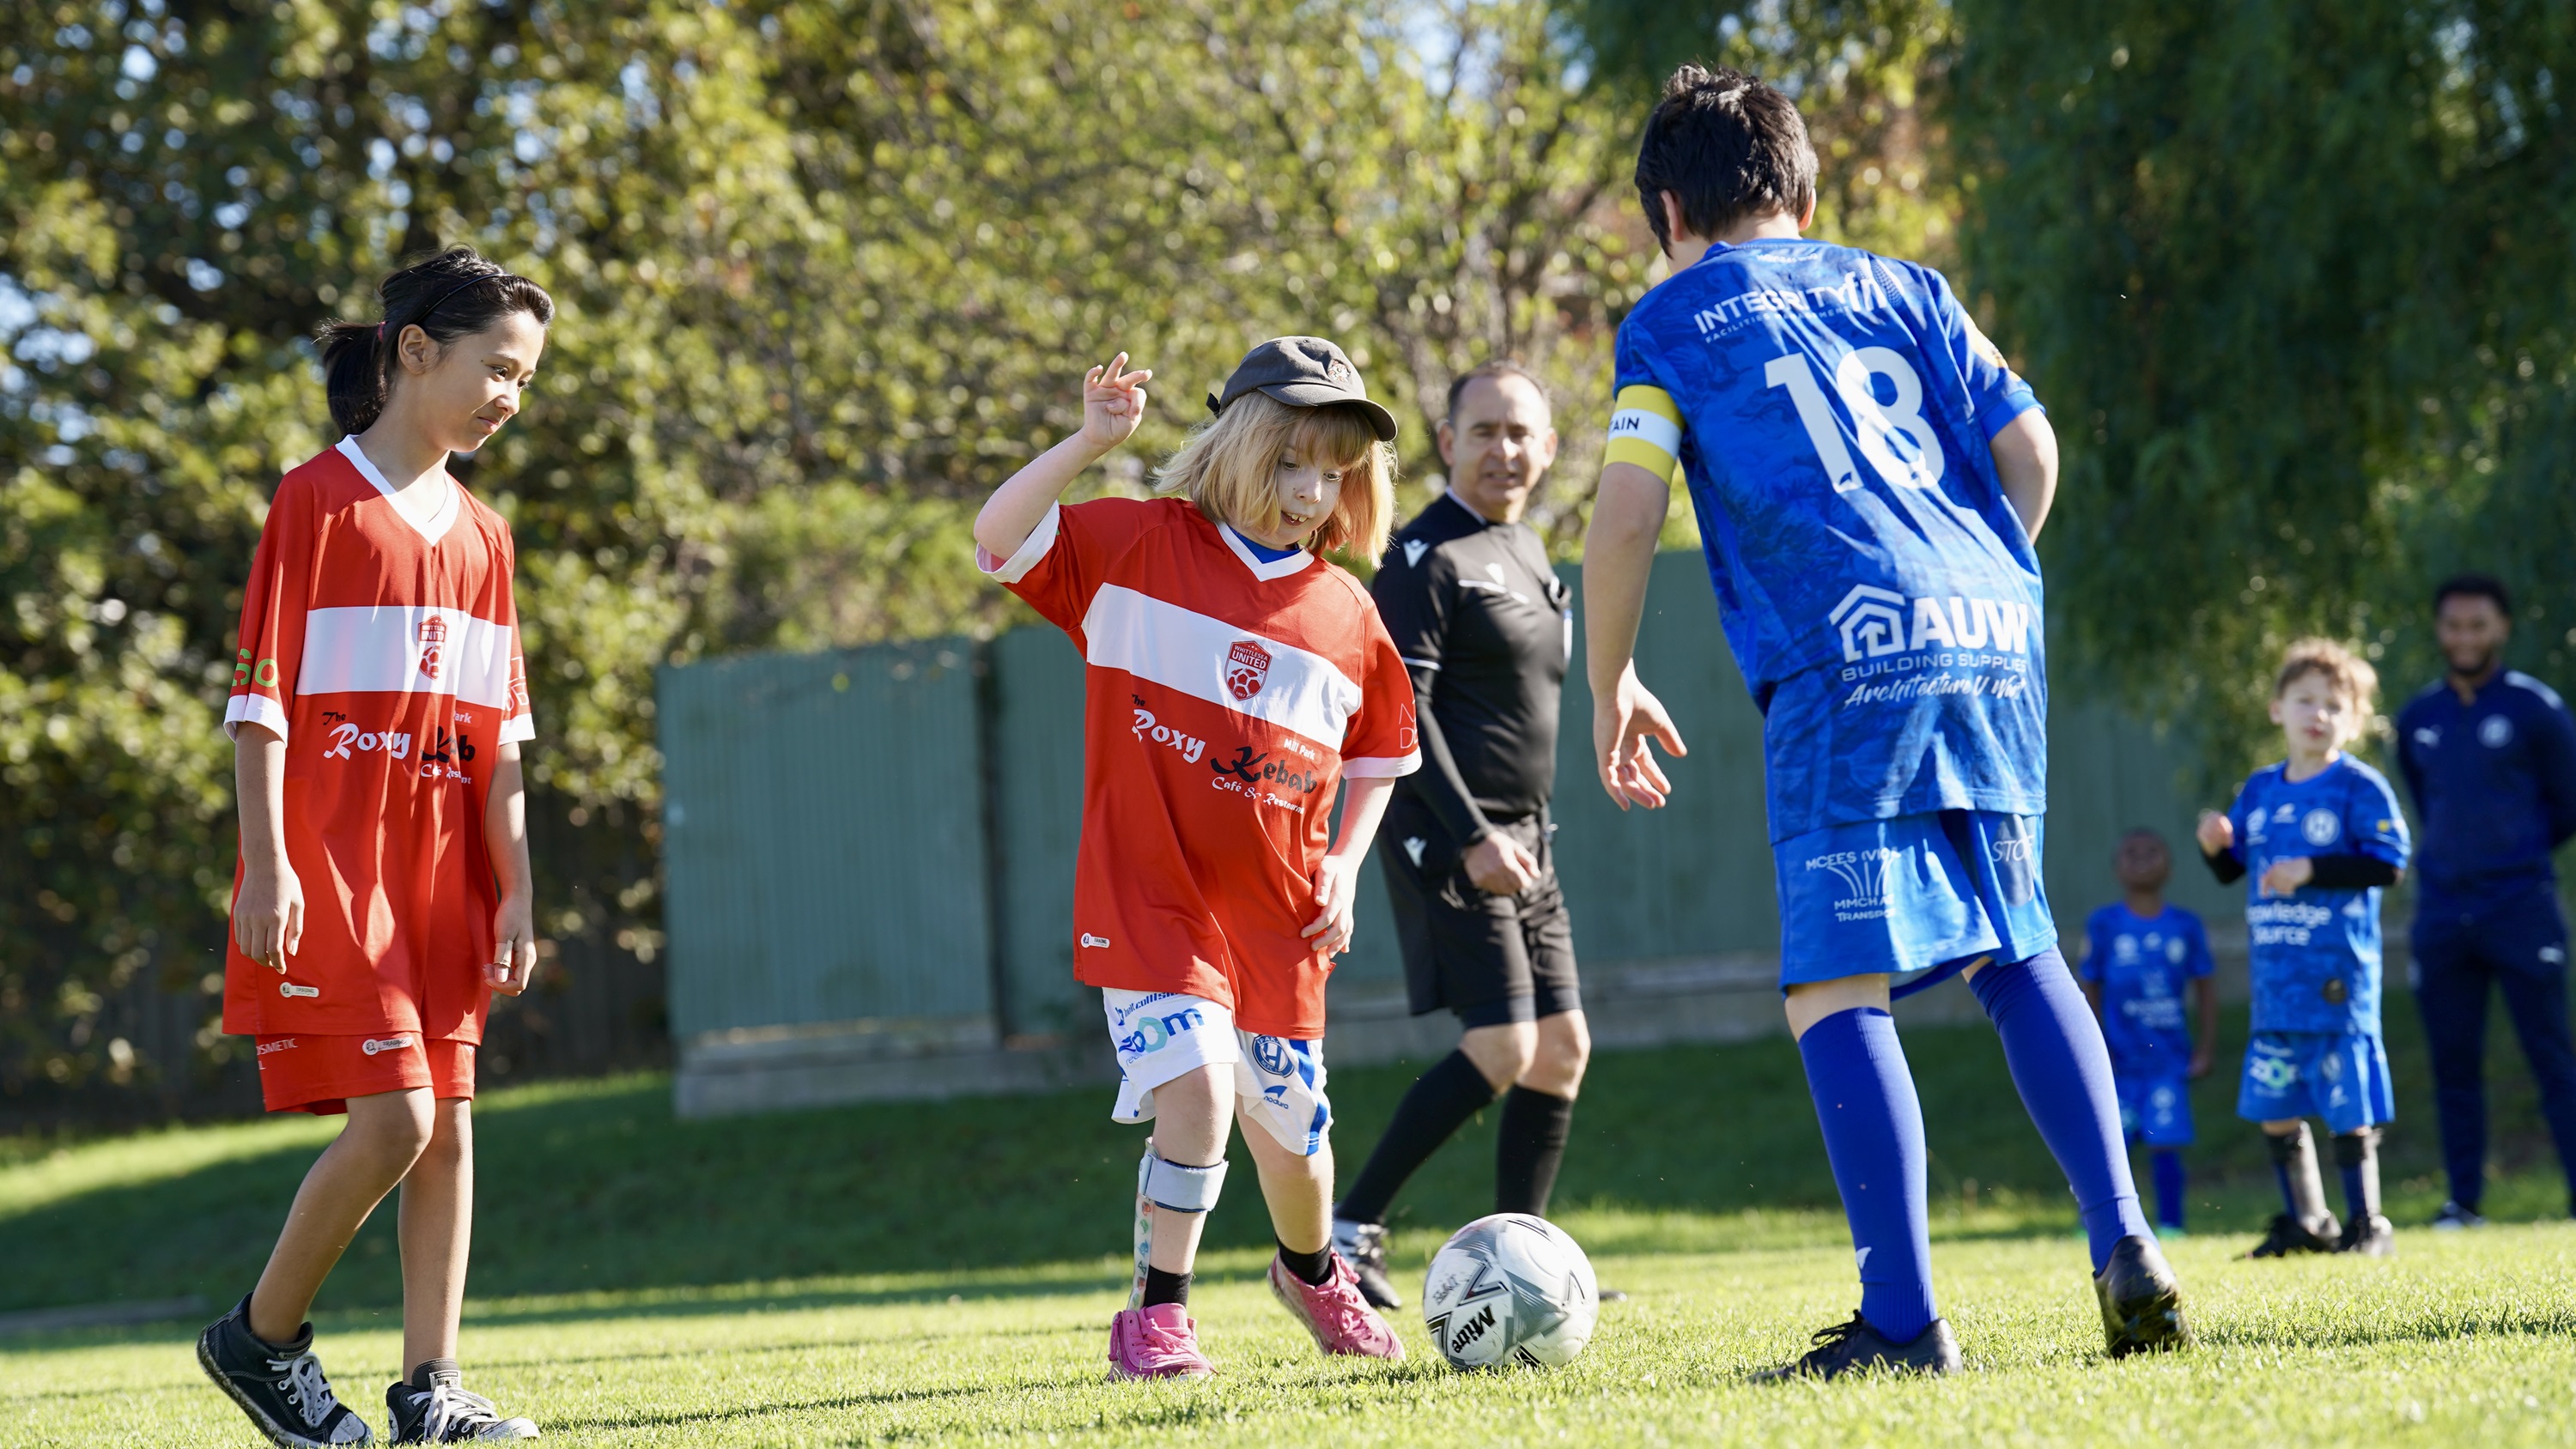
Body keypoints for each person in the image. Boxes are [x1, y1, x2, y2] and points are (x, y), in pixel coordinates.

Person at [1580, 64, 2190, 1378]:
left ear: (1669, 211)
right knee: (2016, 943)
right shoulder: (1909, 287)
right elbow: (2033, 451)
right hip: (1988, 631)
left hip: (1845, 654)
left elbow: (1626, 515)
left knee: (1833, 983)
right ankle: (2127, 1240)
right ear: (1803, 193)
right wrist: (1968, 583)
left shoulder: (1671, 323)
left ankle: (1902, 1323)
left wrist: (1611, 677)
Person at [972, 337, 1419, 1379]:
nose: (1310, 492)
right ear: (1236, 446)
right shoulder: (1137, 546)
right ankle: (1156, 1316)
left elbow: (1381, 754)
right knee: (1201, 1091)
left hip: (1281, 920)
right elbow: (997, 536)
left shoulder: (1347, 611)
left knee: (1297, 1144)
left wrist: (1347, 864)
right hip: (1150, 902)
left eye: (1334, 473)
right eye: (1290, 462)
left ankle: (1311, 1271)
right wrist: (1088, 442)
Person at [195, 248, 548, 1446]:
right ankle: (259, 1339)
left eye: (525, 380)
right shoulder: (315, 501)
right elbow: (259, 704)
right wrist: (270, 861)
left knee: (449, 1123)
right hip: (333, 873)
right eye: (496, 368)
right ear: (415, 350)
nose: (509, 396)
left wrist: (516, 891)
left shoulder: (488, 538)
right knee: (397, 1118)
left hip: (446, 880)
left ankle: (432, 1390)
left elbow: (501, 738)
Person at [1329, 361, 1590, 1310]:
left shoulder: (1526, 549)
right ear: (1447, 442)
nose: (1503, 449)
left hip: (1527, 839)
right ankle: (1347, 1231)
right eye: (1483, 431)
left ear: (1548, 448)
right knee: (1504, 1043)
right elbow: (1406, 709)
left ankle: (1529, 1267)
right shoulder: (1423, 554)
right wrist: (1473, 835)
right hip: (1448, 837)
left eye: (1521, 433)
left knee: (1561, 1048)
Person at [2196, 640, 2411, 1258]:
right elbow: (2234, 870)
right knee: (2275, 1106)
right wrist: (2214, 846)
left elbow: (2388, 865)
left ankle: (2367, 1224)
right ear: (2277, 709)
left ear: (2355, 720)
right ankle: (2307, 1221)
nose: (2318, 714)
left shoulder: (2358, 787)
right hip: (2276, 985)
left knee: (2347, 1104)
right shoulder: (2261, 789)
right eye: (2305, 700)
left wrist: (2312, 869)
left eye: (2334, 705)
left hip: (2336, 981)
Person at [2393, 574, 2576, 1228]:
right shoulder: (2418, 718)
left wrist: (2513, 855)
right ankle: (2463, 1203)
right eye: (2454, 625)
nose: (2465, 637)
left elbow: (2568, 803)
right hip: (2443, 912)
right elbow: (2427, 802)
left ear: (2501, 628)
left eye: (2478, 625)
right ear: (2439, 630)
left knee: (2552, 1056)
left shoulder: (2536, 708)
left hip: (2521, 907)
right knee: (2453, 1063)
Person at [2077, 830, 2219, 1235]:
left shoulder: (2185, 925)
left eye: (2152, 851)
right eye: (2131, 852)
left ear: (2170, 867)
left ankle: (2171, 1223)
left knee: (2165, 1140)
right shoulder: (2104, 925)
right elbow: (2089, 986)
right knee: (2108, 1143)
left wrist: (2205, 1048)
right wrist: (2094, 1046)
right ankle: (2101, 1224)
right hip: (2117, 1059)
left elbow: (2205, 987)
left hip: (2167, 1060)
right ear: (2116, 868)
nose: (2141, 859)